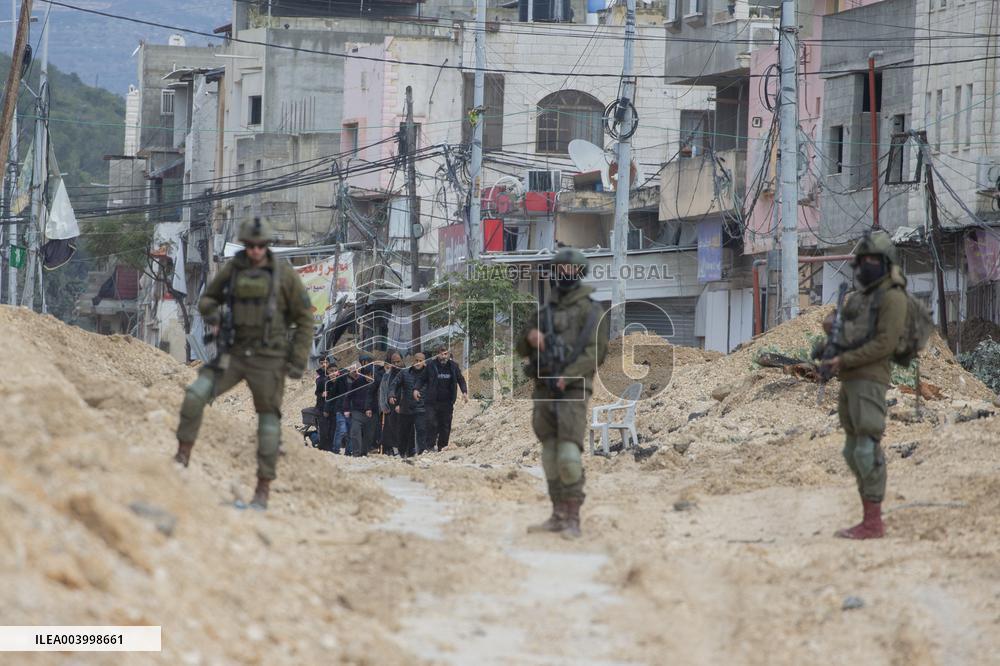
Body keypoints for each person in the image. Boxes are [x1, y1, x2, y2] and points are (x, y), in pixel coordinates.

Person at [174, 217, 313, 511]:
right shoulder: (233, 270)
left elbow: (304, 319)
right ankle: (181, 460)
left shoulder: (284, 276)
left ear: (268, 246)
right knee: (195, 395)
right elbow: (207, 300)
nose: (255, 251)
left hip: (268, 360)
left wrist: (298, 361)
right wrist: (215, 318)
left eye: (261, 246)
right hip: (234, 355)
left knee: (268, 424)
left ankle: (263, 489)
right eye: (250, 245)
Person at [516, 247, 608, 539]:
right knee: (549, 455)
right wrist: (530, 337)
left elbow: (596, 353)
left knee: (569, 454)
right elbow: (520, 349)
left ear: (580, 273)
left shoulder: (593, 311)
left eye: (571, 271)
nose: (565, 276)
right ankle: (557, 514)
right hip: (544, 389)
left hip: (573, 390)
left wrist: (565, 377)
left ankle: (573, 518)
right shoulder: (543, 312)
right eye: (561, 271)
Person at [820, 230, 907, 540]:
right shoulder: (860, 297)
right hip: (850, 380)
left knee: (867, 448)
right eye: (863, 259)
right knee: (851, 451)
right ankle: (867, 516)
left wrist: (845, 360)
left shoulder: (893, 297)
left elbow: (885, 343)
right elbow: (842, 325)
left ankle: (873, 523)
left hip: (870, 379)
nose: (867, 265)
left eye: (873, 260)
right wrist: (830, 332)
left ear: (885, 262)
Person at [424, 344, 469, 452]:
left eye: (446, 354)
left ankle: (442, 447)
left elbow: (461, 379)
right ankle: (430, 446)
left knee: (445, 425)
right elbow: (422, 379)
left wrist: (464, 392)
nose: (444, 356)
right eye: (442, 354)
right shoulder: (431, 365)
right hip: (432, 402)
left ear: (448, 354)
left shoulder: (453, 366)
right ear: (437, 354)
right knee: (432, 423)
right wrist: (416, 389)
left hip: (447, 402)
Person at [398, 351, 431, 454]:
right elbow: (395, 384)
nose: (418, 363)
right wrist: (392, 395)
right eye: (416, 360)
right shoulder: (405, 372)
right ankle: (404, 452)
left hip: (421, 407)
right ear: (413, 361)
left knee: (421, 429)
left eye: (420, 361)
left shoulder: (429, 373)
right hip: (407, 407)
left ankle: (422, 451)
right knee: (406, 432)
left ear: (424, 362)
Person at [343, 362, 376, 457]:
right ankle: (356, 453)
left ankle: (364, 453)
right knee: (355, 432)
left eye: (371, 375)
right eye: (367, 375)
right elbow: (348, 396)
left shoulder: (377, 381)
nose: (369, 377)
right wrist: (346, 409)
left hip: (372, 412)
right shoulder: (357, 382)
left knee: (369, 435)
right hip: (357, 411)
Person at [379, 351, 404, 456]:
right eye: (394, 362)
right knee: (391, 430)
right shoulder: (387, 375)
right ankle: (394, 450)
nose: (396, 364)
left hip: (404, 406)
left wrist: (402, 404)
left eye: (398, 361)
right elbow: (382, 390)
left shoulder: (407, 372)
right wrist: (383, 405)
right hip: (390, 407)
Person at [317, 358, 338, 452]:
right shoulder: (322, 381)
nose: (333, 373)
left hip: (334, 409)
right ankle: (322, 447)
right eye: (331, 371)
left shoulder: (340, 381)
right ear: (327, 372)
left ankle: (330, 448)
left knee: (333, 429)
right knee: (324, 430)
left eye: (335, 371)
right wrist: (322, 394)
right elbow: (317, 392)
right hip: (322, 408)